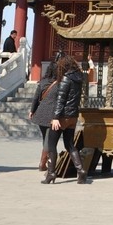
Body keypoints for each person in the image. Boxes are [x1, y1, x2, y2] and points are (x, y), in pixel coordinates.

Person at [43, 54, 87, 184]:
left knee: (51, 145)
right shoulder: (78, 79)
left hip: (62, 116)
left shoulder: (65, 79)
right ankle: (81, 170)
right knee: (70, 145)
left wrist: (55, 117)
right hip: (73, 116)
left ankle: (51, 173)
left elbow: (60, 100)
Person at [29, 70, 59, 172]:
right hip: (52, 114)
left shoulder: (42, 82)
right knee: (49, 139)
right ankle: (42, 163)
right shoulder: (59, 83)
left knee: (45, 138)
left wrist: (32, 110)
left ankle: (46, 160)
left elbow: (36, 98)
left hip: (41, 113)